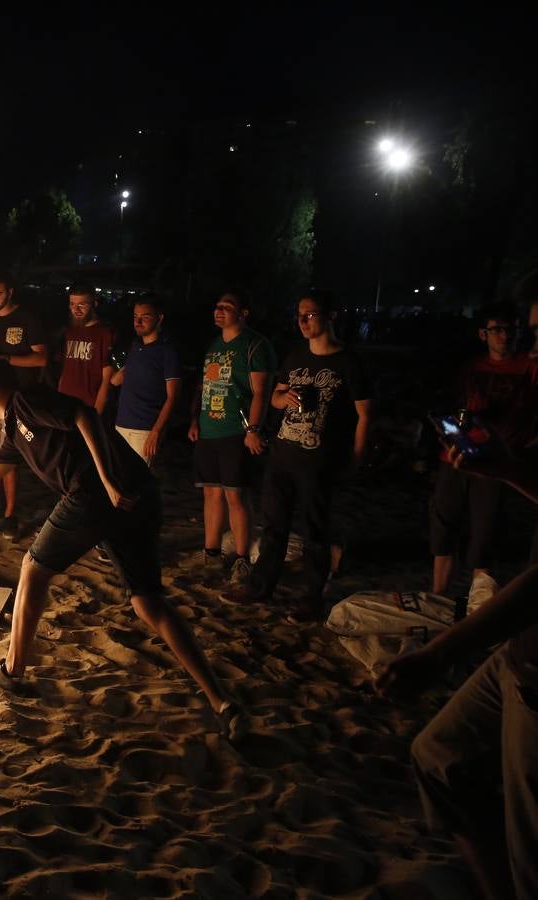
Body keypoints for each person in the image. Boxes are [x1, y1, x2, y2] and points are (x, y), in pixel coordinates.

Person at [0, 358, 248, 739]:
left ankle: (12, 671)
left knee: (33, 567)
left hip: (98, 494)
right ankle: (222, 702)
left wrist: (108, 480)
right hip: (134, 496)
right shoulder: (16, 432)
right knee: (148, 601)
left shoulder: (25, 402)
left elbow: (84, 415)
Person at [379, 446, 538, 900]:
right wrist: (507, 467)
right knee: (440, 756)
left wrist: (438, 655)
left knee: (530, 842)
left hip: (535, 672)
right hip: (518, 652)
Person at [223, 291, 372, 620]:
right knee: (274, 525)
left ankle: (311, 596)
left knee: (315, 531)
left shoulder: (348, 362)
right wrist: (282, 398)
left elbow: (365, 414)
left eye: (310, 314)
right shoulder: (295, 356)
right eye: (300, 315)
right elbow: (276, 397)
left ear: (330, 317)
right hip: (283, 455)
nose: (303, 321)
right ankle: (262, 586)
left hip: (319, 460)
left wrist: (357, 456)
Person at [429, 303, 538, 599]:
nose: (504, 336)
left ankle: (480, 602)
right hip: (457, 455)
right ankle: (439, 598)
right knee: (444, 526)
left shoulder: (529, 367)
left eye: (510, 329)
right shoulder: (470, 369)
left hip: (495, 459)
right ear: (483, 334)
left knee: (485, 532)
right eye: (497, 330)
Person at [184, 291, 277, 583]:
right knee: (211, 492)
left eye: (227, 307)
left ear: (244, 313)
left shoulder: (254, 345)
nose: (219, 311)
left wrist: (253, 429)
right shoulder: (213, 347)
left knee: (236, 494)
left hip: (236, 432)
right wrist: (195, 419)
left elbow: (261, 392)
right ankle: (211, 552)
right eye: (217, 306)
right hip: (209, 429)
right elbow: (205, 386)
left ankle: (241, 558)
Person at [0, 273, 48, 537]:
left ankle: (9, 516)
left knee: (10, 459)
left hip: (16, 399)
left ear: (10, 292)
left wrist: (5, 359)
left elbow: (41, 359)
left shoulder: (27, 319)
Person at [111, 294, 181, 467]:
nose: (138, 321)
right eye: (135, 317)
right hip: (121, 424)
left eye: (145, 317)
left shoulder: (167, 352)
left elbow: (173, 396)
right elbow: (118, 380)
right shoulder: (136, 346)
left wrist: (156, 431)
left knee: (137, 483)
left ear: (160, 318)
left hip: (144, 428)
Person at [56, 284, 115, 414]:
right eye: (72, 304)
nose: (76, 309)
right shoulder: (69, 332)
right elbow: (65, 372)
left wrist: (96, 414)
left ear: (94, 304)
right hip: (65, 406)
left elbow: (106, 380)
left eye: (82, 305)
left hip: (87, 407)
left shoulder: (105, 333)